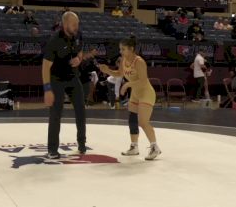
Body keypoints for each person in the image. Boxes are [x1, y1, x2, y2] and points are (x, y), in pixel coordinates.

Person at [98, 36, 162, 161]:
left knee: (143, 122)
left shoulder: (139, 61)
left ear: (131, 49)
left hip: (146, 93)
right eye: (120, 49)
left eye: (123, 49)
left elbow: (143, 81)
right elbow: (119, 74)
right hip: (136, 93)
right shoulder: (123, 60)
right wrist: (108, 70)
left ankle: (155, 147)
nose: (121, 52)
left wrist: (127, 84)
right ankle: (134, 147)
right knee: (132, 120)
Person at [42, 11, 95, 159]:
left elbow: (80, 51)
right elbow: (45, 67)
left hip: (72, 77)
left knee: (81, 110)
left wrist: (79, 59)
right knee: (56, 114)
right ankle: (52, 149)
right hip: (56, 79)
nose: (76, 27)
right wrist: (47, 90)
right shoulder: (55, 41)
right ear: (65, 25)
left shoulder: (78, 35)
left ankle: (82, 144)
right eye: (74, 24)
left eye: (77, 24)